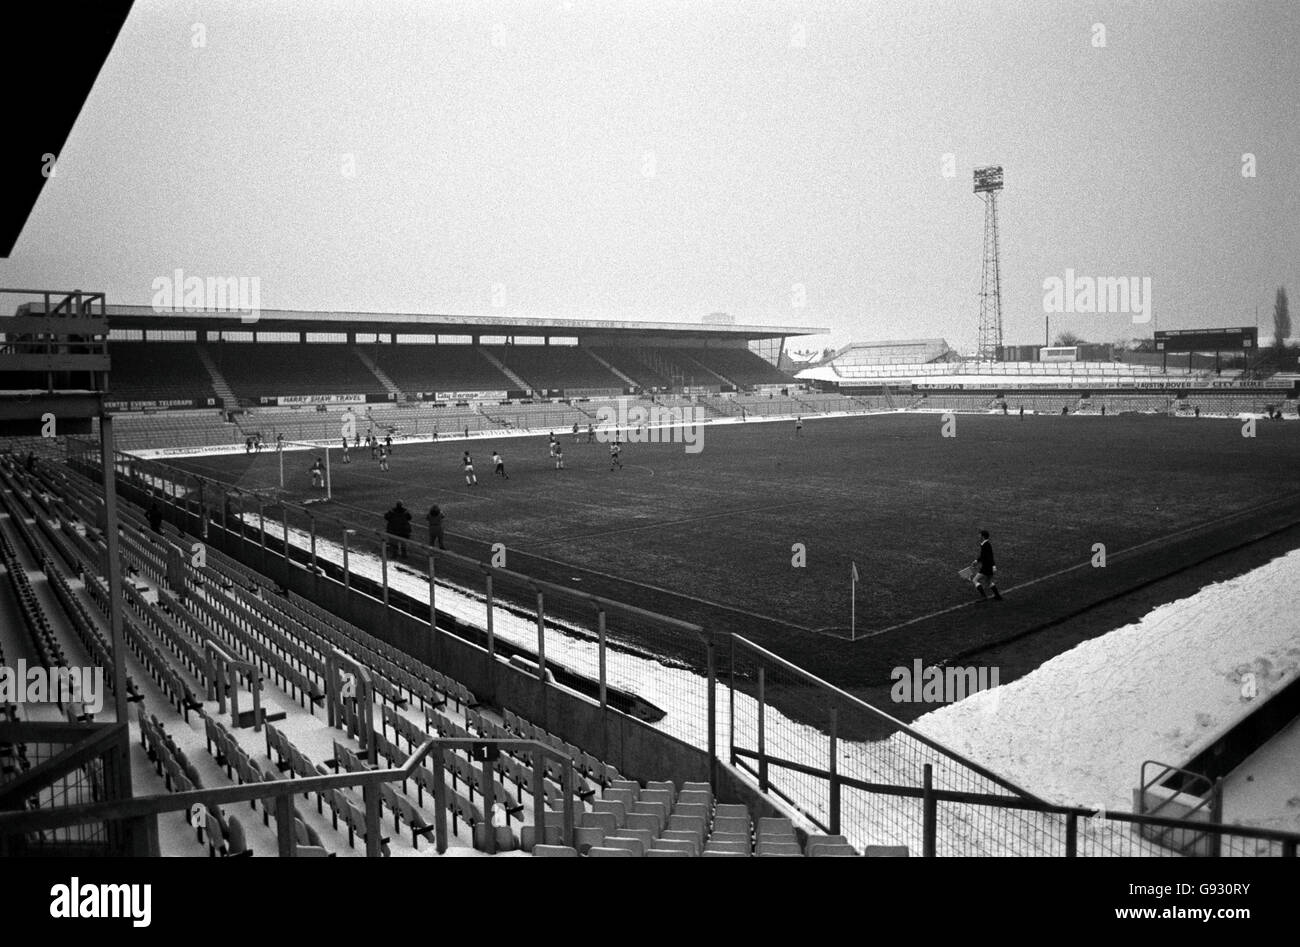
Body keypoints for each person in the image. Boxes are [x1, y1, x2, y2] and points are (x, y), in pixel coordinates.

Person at [971, 529, 1002, 601]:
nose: (978, 536)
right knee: (988, 582)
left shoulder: (986, 545)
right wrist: (976, 561)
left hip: (986, 567)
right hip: (988, 567)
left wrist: (993, 566)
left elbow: (990, 556)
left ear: (983, 536)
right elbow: (983, 556)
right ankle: (998, 596)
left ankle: (984, 597)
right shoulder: (985, 544)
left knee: (975, 580)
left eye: (980, 535)